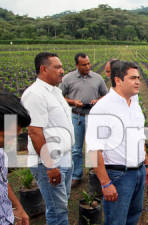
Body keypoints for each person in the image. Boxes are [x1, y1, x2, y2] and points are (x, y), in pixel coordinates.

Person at [85, 60, 148, 225]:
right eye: (132, 78)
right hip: (118, 175)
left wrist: (147, 165)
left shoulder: (134, 103)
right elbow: (93, 150)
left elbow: (139, 137)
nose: (138, 81)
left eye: (138, 78)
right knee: (116, 221)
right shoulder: (102, 109)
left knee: (134, 215)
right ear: (118, 80)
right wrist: (106, 183)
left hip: (139, 172)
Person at [21, 52, 75, 225]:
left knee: (61, 205)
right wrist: (50, 166)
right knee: (57, 210)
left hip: (65, 157)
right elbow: (35, 132)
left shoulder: (56, 91)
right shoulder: (35, 94)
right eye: (57, 67)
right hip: (50, 162)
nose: (62, 71)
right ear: (44, 69)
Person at [60, 52, 107, 187]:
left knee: (94, 147)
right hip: (77, 116)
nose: (87, 66)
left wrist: (97, 101)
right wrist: (73, 102)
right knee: (76, 148)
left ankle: (95, 172)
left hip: (93, 117)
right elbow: (60, 96)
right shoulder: (68, 79)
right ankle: (76, 175)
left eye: (88, 63)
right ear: (77, 65)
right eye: (84, 64)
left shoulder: (97, 78)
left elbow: (106, 95)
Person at [0, 92, 30, 225]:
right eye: (11, 134)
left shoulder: (1, 154)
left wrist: (18, 207)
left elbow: (3, 182)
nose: (13, 140)